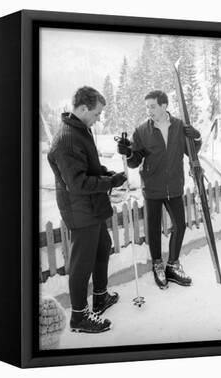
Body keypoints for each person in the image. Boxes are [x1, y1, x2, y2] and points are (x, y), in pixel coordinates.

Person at [47, 86, 128, 333]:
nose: (99, 118)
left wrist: (107, 173)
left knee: (103, 248)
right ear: (82, 108)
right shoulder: (67, 140)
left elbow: (88, 168)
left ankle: (100, 297)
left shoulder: (81, 131)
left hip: (91, 206)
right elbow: (78, 183)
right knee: (82, 263)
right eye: (96, 113)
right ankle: (79, 317)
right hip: (80, 209)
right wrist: (110, 183)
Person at [117, 90, 202, 290]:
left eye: (152, 106)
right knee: (153, 229)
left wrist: (196, 138)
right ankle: (157, 265)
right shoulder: (141, 131)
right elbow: (134, 161)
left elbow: (191, 152)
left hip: (174, 186)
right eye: (147, 107)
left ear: (164, 106)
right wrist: (128, 152)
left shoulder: (180, 127)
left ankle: (172, 265)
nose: (149, 111)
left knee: (180, 225)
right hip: (152, 187)